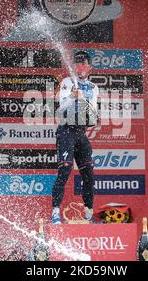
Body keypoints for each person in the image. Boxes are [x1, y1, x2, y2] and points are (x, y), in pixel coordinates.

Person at [51, 51, 99, 224]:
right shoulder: (67, 82)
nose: (80, 68)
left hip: (81, 132)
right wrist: (72, 97)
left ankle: (88, 215)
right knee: (64, 170)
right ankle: (55, 214)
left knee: (88, 174)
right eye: (77, 64)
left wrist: (84, 102)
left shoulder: (94, 88)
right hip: (65, 130)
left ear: (89, 67)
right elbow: (60, 108)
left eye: (83, 64)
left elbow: (93, 114)